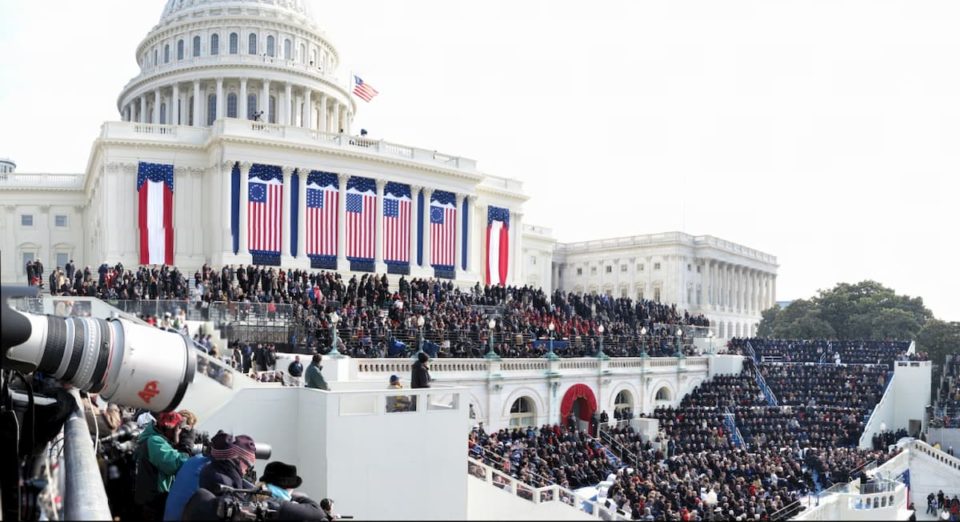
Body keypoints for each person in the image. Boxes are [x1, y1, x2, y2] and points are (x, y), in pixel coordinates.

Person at [134, 411, 190, 521]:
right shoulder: (154, 441)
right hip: (152, 501)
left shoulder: (156, 438)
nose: (179, 431)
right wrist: (186, 447)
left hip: (152, 499)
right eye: (176, 428)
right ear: (167, 428)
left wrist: (175, 442)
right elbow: (175, 465)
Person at [259, 461, 328, 519]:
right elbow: (318, 513)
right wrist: (297, 498)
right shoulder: (278, 505)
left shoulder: (260, 497)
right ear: (289, 488)